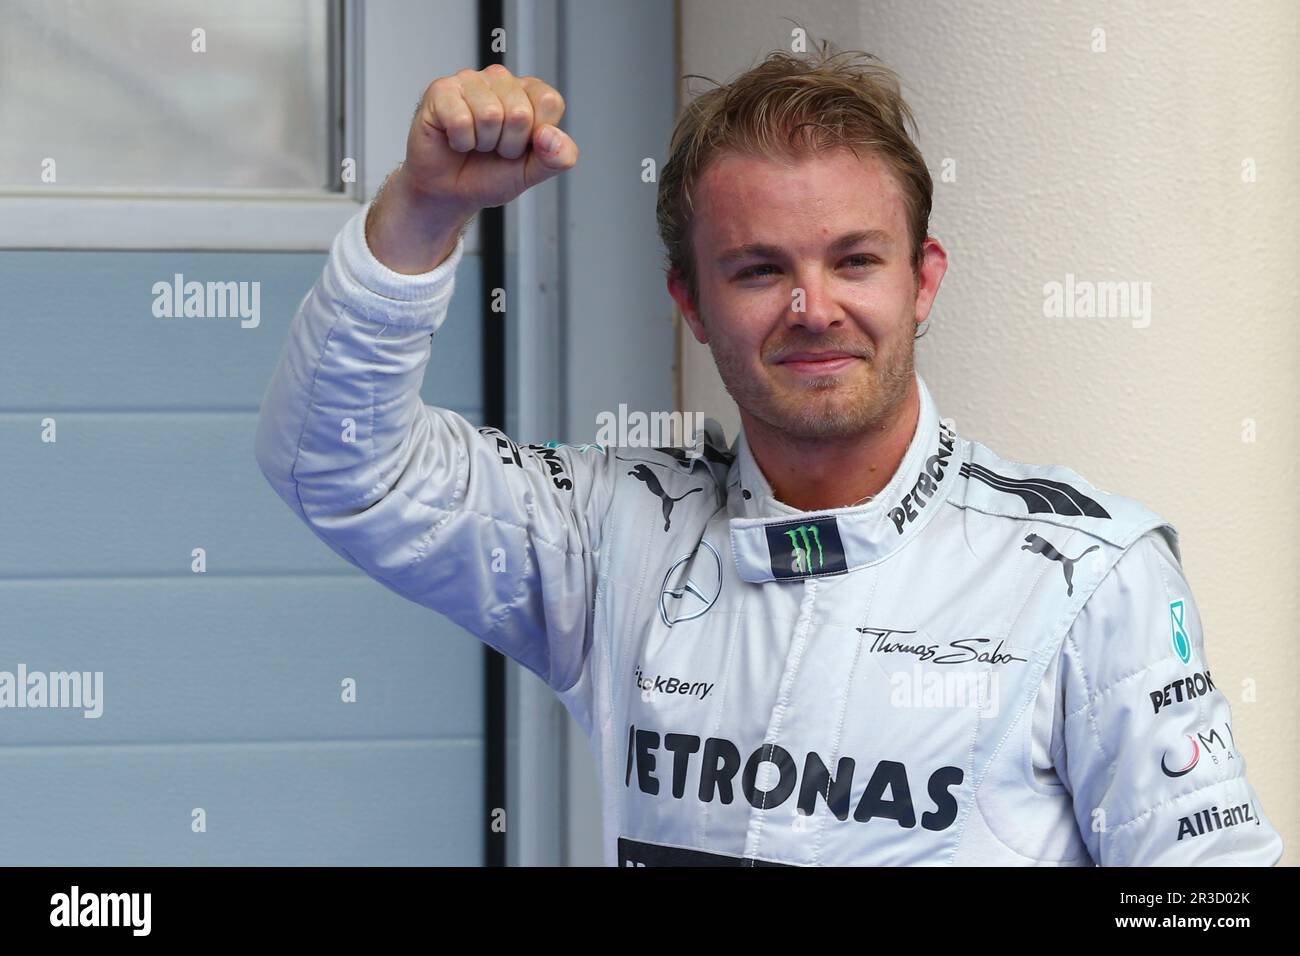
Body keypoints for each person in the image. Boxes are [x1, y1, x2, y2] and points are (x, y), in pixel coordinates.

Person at [255, 45, 1283, 866]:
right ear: (690, 305)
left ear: (921, 280)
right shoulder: (614, 531)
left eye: (854, 259)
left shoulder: (1088, 574)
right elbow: (342, 466)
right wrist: (423, 212)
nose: (812, 308)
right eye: (758, 269)